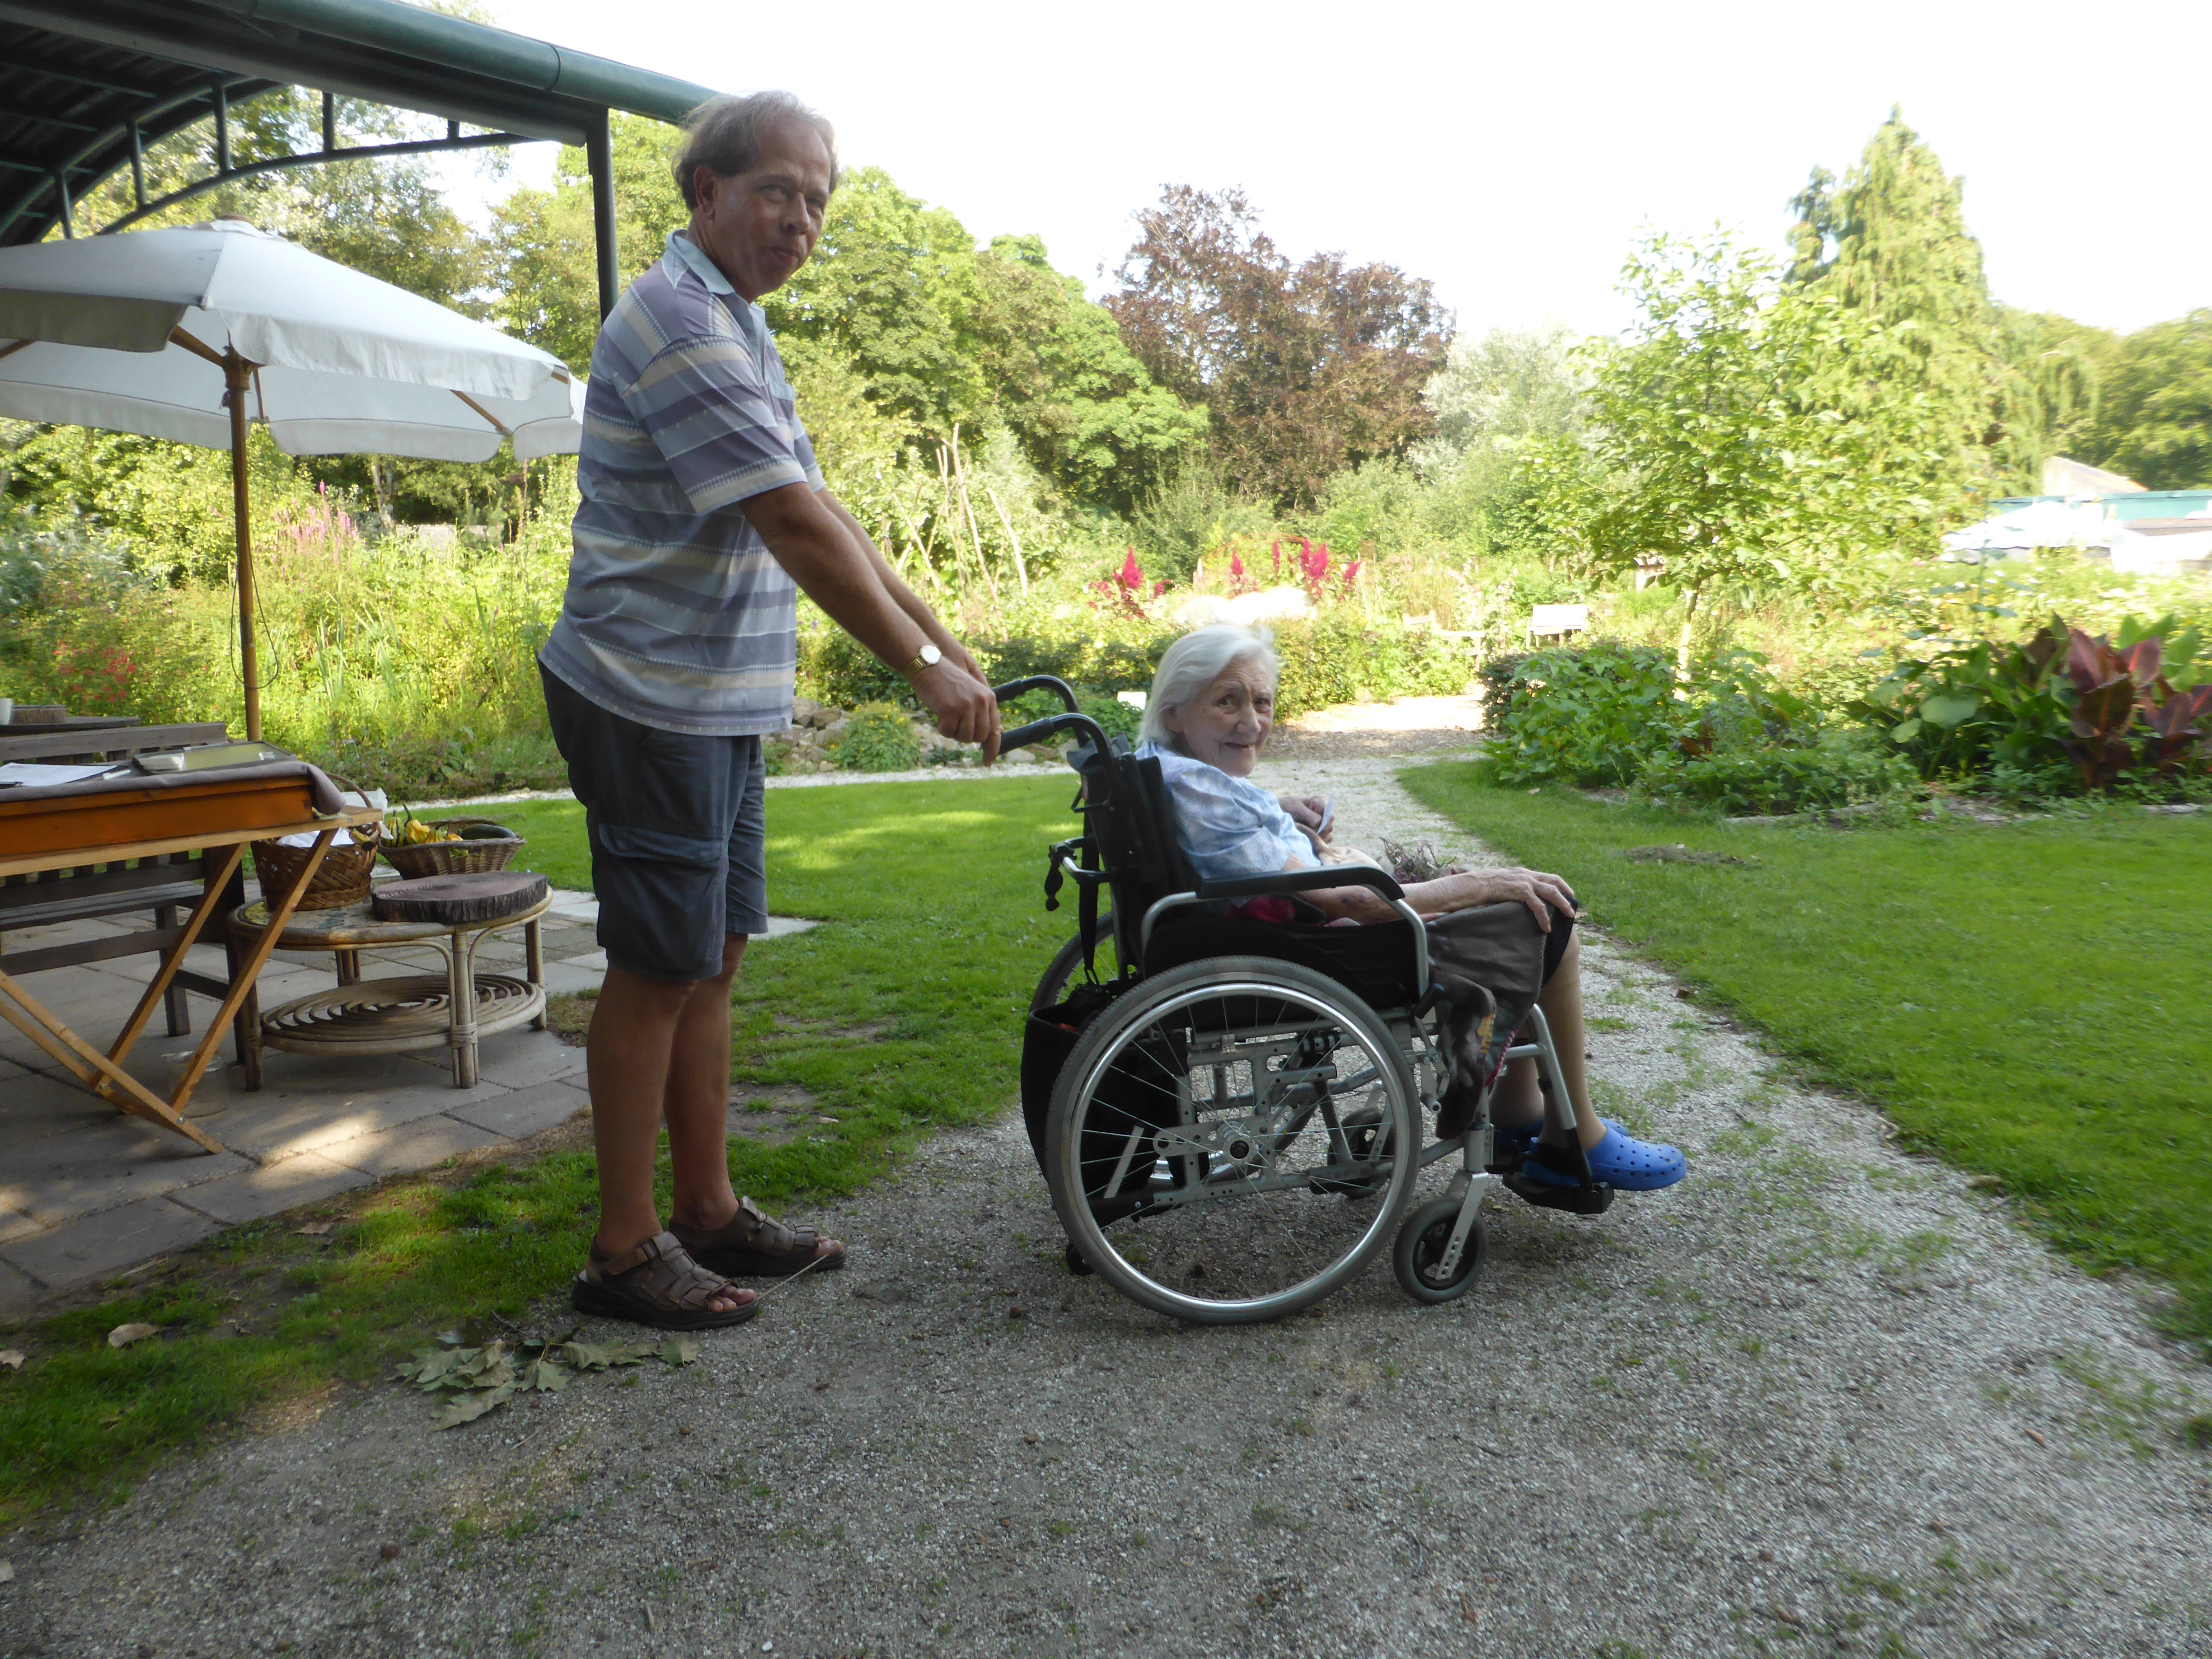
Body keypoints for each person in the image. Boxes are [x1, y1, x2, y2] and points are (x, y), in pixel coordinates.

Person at [538, 92, 1003, 1329]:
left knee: (715, 959)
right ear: (706, 193)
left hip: (712, 704)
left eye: (817, 201)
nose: (800, 219)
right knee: (656, 967)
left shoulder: (739, 320)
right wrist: (918, 671)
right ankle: (623, 1249)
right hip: (649, 697)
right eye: (778, 191)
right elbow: (791, 525)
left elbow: (827, 508)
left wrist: (950, 645)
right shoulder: (683, 318)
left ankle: (706, 1208)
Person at [1133, 624, 1685, 1191]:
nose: (1252, 721)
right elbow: (1352, 901)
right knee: (1547, 924)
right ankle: (1573, 1137)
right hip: (1328, 944)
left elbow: (1226, 823)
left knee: (1514, 907)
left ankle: (1521, 1113)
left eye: (1262, 701)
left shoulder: (1171, 770)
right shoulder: (1202, 793)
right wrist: (1483, 882)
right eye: (1228, 701)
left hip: (1279, 934)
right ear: (1175, 712)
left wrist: (1278, 807)